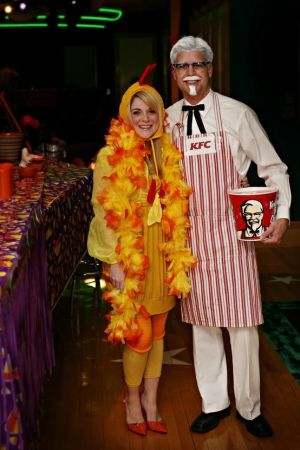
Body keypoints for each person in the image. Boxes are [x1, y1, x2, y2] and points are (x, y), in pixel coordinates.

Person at [166, 35, 291, 438]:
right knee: (202, 324)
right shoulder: (166, 120)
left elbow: (273, 168)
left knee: (243, 325)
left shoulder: (238, 114)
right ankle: (214, 403)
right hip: (189, 238)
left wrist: (283, 213)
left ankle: (250, 408)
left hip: (233, 234)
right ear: (174, 74)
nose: (190, 73)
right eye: (182, 66)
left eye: (197, 65)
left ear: (210, 70)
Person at [87, 70, 196, 436]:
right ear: (125, 114)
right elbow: (103, 213)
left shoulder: (166, 151)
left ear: (160, 114)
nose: (145, 119)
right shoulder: (110, 155)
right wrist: (113, 262)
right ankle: (132, 400)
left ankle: (151, 400)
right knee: (139, 334)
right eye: (136, 112)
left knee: (160, 329)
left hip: (161, 252)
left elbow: (178, 201)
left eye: (151, 111)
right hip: (128, 254)